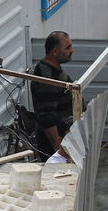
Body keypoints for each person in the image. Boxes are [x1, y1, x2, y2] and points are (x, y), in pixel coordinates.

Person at [31, 31, 75, 160]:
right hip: (55, 143)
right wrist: (57, 145)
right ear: (55, 52)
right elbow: (46, 114)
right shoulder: (47, 77)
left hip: (66, 137)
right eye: (67, 47)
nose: (72, 50)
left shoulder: (54, 71)